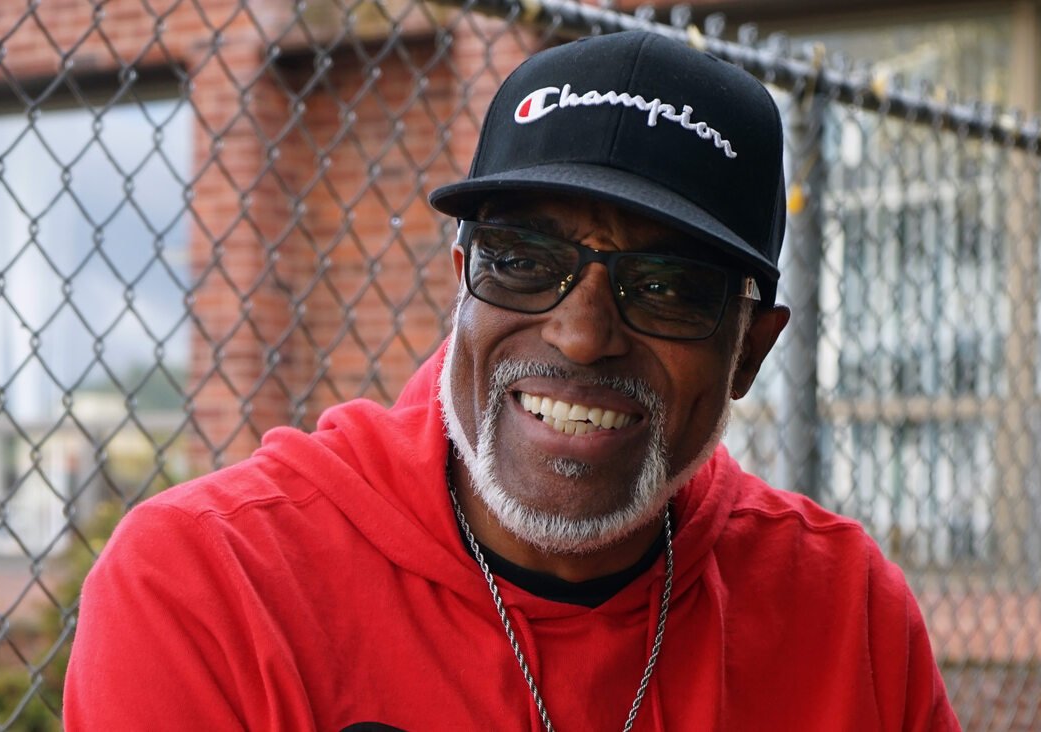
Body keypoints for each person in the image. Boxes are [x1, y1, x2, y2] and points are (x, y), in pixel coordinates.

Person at [65, 30, 958, 731]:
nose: (580, 335)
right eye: (524, 260)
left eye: (667, 288)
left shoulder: (846, 615)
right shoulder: (211, 586)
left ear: (749, 352)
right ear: (462, 279)